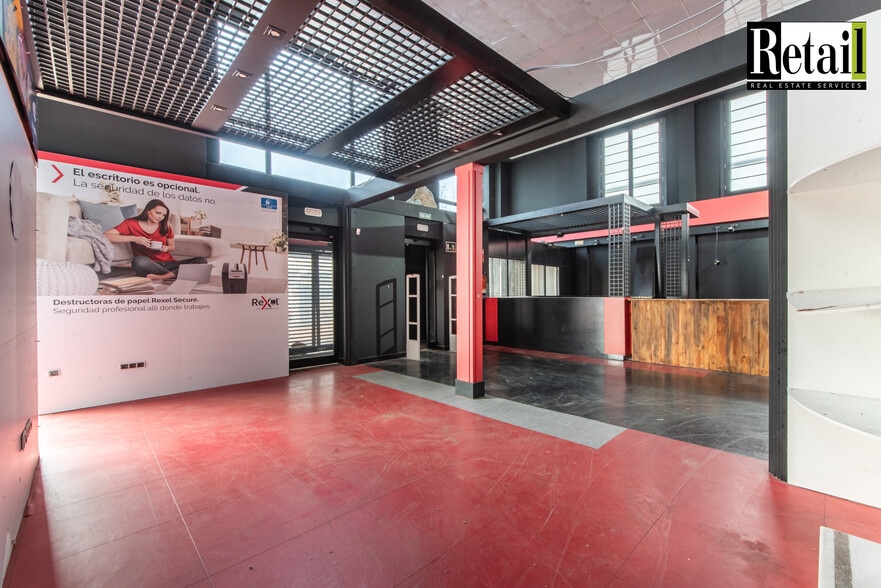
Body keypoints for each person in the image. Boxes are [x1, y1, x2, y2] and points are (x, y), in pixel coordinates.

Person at [104, 199, 207, 280]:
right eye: (158, 213)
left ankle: (164, 276)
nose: (161, 217)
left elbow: (172, 247)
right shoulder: (130, 223)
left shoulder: (166, 226)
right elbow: (106, 235)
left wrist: (166, 248)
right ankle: (177, 274)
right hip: (150, 264)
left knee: (201, 260)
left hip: (169, 263)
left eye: (163, 215)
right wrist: (134, 238)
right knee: (138, 261)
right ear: (148, 211)